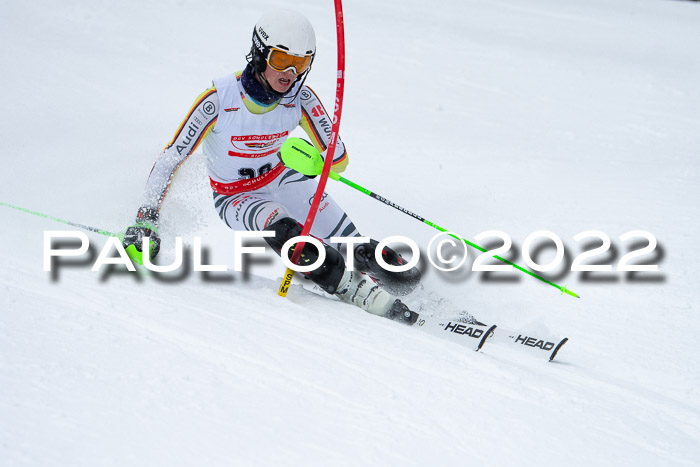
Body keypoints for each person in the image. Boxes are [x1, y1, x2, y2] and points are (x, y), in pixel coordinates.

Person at [122, 10, 421, 323]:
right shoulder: (218, 100)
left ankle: (417, 294)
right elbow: (172, 157)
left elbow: (340, 159)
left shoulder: (300, 98)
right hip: (236, 196)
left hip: (284, 180)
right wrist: (147, 217)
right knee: (289, 234)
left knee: (361, 251)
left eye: (301, 63)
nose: (290, 72)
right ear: (260, 53)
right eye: (280, 60)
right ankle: (351, 289)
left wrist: (316, 160)